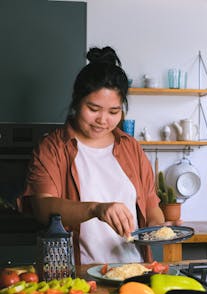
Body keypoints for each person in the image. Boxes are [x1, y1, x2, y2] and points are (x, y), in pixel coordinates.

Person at [19, 46, 168, 265]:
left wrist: (161, 229)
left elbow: (151, 206)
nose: (103, 119)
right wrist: (96, 209)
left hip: (134, 270)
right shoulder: (52, 148)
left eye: (113, 112)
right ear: (76, 101)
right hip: (78, 274)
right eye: (93, 108)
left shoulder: (131, 148)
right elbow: (43, 208)